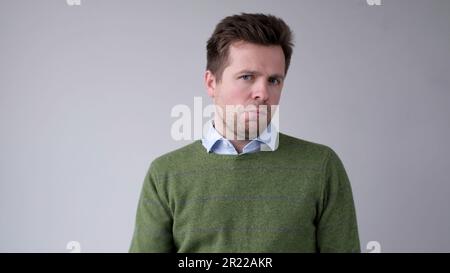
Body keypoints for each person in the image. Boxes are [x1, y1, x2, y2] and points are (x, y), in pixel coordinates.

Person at [129, 13, 360, 253]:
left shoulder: (321, 167)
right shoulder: (165, 174)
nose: (263, 93)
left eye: (274, 80)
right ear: (211, 83)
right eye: (247, 77)